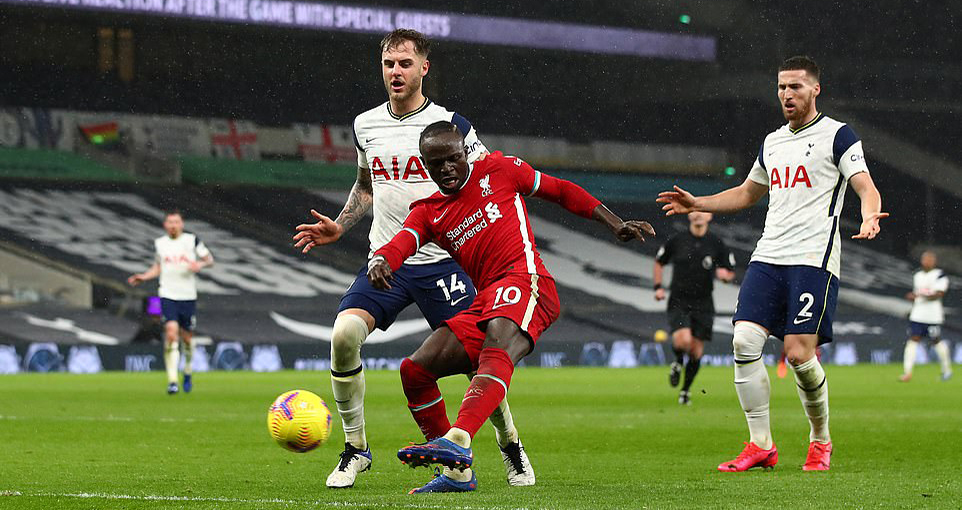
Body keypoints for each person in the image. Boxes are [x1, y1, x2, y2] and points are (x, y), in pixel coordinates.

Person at [291, 29, 533, 489]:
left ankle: (510, 444)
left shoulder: (452, 125)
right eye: (388, 64)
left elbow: (484, 183)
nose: (395, 72)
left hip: (444, 262)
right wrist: (341, 225)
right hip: (387, 261)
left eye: (405, 63)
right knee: (344, 335)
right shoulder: (365, 124)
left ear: (424, 68)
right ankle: (356, 450)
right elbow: (366, 185)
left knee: (478, 361)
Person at [367, 121, 655, 493]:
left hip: (527, 280)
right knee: (415, 371)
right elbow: (403, 241)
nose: (447, 169)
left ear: (465, 154)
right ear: (425, 165)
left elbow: (561, 190)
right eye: (436, 163)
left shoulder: (499, 170)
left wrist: (614, 223)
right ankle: (456, 471)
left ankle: (458, 438)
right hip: (486, 299)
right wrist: (382, 261)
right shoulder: (428, 211)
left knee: (496, 345)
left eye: (453, 159)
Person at [658, 56, 888, 472]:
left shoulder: (839, 135)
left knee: (799, 355)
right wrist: (699, 202)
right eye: (782, 87)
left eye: (796, 87)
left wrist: (870, 213)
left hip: (812, 259)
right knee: (744, 342)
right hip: (768, 256)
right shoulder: (772, 141)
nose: (786, 94)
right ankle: (760, 443)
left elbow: (865, 186)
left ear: (815, 89)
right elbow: (748, 193)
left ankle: (820, 439)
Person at [128, 210, 214, 394]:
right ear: (165, 225)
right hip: (167, 294)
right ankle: (173, 380)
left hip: (188, 296)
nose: (173, 225)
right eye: (170, 222)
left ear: (181, 224)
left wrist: (199, 264)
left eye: (176, 221)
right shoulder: (160, 244)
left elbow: (209, 259)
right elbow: (158, 267)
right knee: (171, 332)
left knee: (187, 338)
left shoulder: (192, 240)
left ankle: (188, 370)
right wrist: (144, 277)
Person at [653, 211, 735, 405]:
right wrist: (658, 287)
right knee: (683, 341)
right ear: (689, 217)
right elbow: (659, 262)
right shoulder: (677, 240)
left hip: (704, 302)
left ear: (709, 217)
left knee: (696, 352)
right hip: (679, 299)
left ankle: (685, 390)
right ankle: (678, 361)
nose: (698, 216)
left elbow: (729, 270)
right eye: (694, 213)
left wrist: (725, 275)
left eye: (702, 213)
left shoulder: (716, 243)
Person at [900, 251, 952, 382]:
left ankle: (947, 370)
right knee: (913, 340)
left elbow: (939, 294)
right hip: (917, 315)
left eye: (929, 259)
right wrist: (913, 298)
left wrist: (919, 296)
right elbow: (918, 294)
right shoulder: (917, 275)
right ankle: (907, 372)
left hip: (933, 316)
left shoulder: (940, 275)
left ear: (934, 261)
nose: (927, 262)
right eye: (925, 259)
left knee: (936, 341)